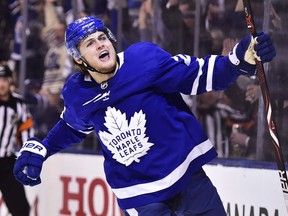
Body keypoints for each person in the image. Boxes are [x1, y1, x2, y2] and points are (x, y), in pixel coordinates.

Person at [13, 16, 276, 215]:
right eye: (89, 43)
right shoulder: (77, 91)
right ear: (79, 58)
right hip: (141, 195)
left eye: (102, 37)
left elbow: (197, 74)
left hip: (187, 178)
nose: (100, 44)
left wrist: (239, 60)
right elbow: (72, 127)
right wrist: (44, 148)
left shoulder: (144, 59)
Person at [0, 64, 33, 216]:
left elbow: (26, 129)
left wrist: (27, 154)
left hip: (6, 162)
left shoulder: (19, 104)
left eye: (4, 79)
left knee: (21, 209)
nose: (1, 84)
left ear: (10, 81)